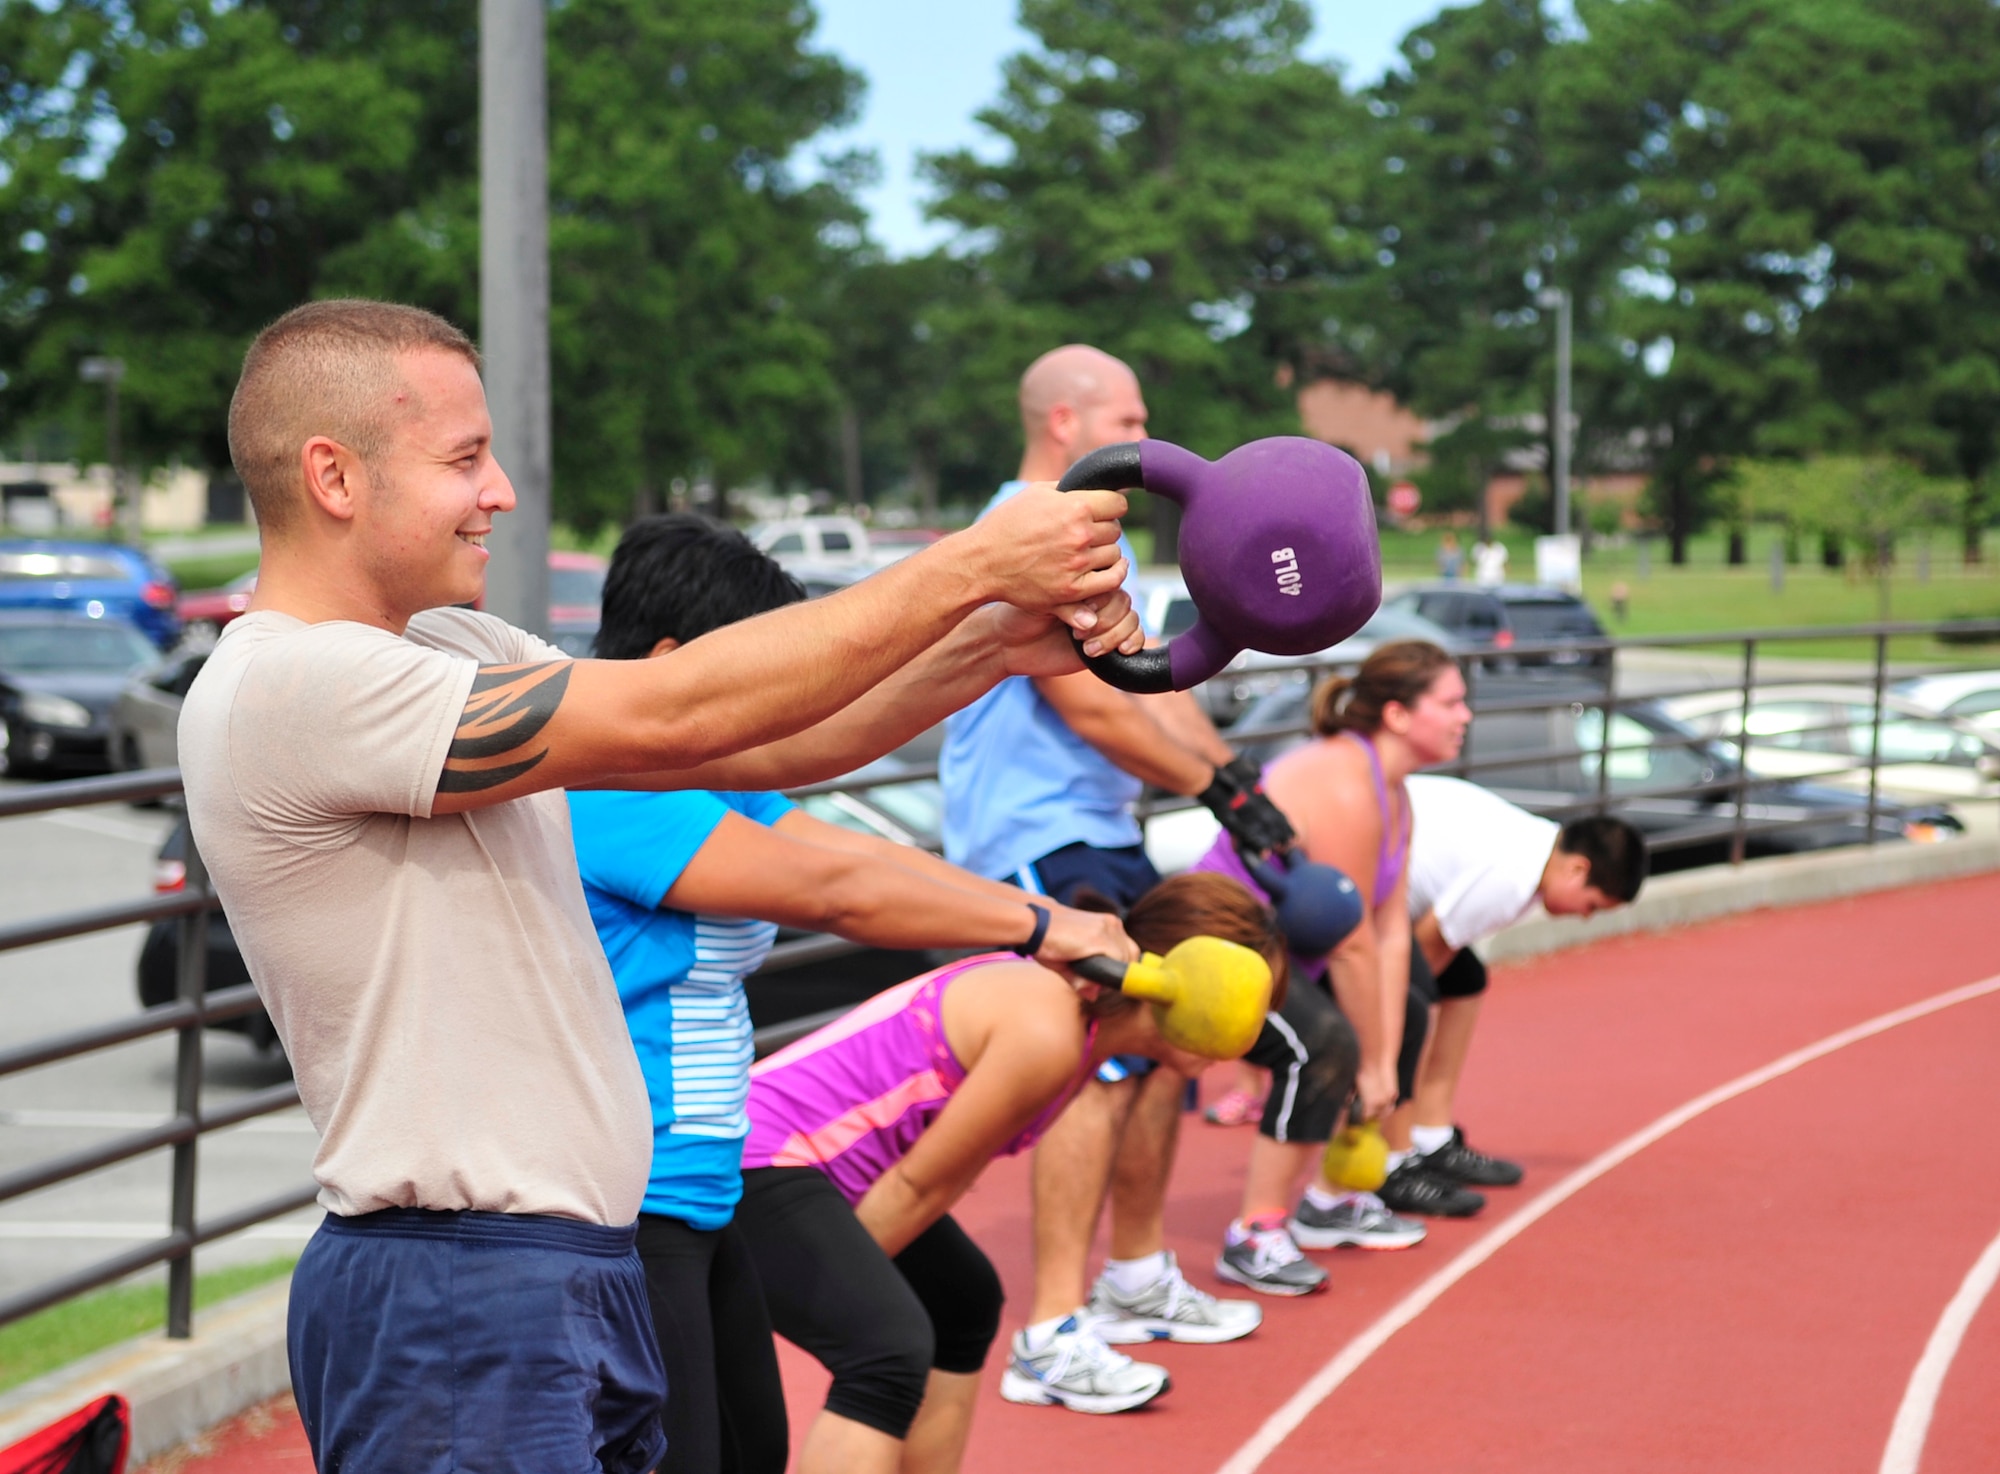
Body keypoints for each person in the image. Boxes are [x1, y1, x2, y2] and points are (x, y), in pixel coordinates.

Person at [177, 299, 1145, 1474]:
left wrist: (996, 640)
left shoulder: (450, 646)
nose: (501, 495)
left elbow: (756, 744)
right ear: (332, 475)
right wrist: (969, 562)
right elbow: (673, 701)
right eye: (465, 459)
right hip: (454, 1279)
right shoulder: (296, 682)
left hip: (567, 1262)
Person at [566, 513, 1142, 1474]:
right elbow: (835, 893)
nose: (779, 713)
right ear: (671, 662)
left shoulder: (711, 781)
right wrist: (1042, 926)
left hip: (708, 1197)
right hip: (635, 1208)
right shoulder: (615, 790)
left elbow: (856, 848)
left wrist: (998, 646)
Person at [940, 345, 1289, 1407]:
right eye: (1129, 416)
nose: (1148, 438)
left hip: (1099, 824)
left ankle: (1133, 1273)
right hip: (1033, 836)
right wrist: (1214, 787)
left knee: (1157, 1046)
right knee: (1090, 1068)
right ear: (1062, 422)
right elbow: (1087, 702)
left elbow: (1152, 676)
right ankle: (1049, 1329)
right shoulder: (1025, 529)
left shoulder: (1094, 531)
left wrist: (1224, 773)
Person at [735, 872, 1288, 1473]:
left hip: (824, 1171)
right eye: (1248, 1007)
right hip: (762, 1161)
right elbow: (918, 1187)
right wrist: (799, 1296)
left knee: (963, 1301)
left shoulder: (1081, 1031)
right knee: (886, 1347)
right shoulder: (1048, 1030)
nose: (1249, 1036)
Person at [1193, 641, 1478, 1292]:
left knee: (1404, 1006)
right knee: (1324, 1043)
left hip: (1285, 949)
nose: (1466, 716)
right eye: (1452, 702)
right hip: (1219, 943)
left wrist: (1385, 1053)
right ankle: (1255, 1234)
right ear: (1400, 715)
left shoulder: (1397, 797)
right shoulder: (1347, 783)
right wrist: (1371, 1067)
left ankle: (1330, 1198)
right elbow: (1349, 944)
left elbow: (1388, 931)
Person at [1394, 777, 1649, 1186]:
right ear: (1578, 869)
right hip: (1362, 880)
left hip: (1391, 871)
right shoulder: (1514, 876)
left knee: (1465, 980)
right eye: (1592, 906)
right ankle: (1395, 1155)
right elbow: (1424, 948)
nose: (1585, 917)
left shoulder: (1537, 847)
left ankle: (1430, 1134)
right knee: (1410, 1005)